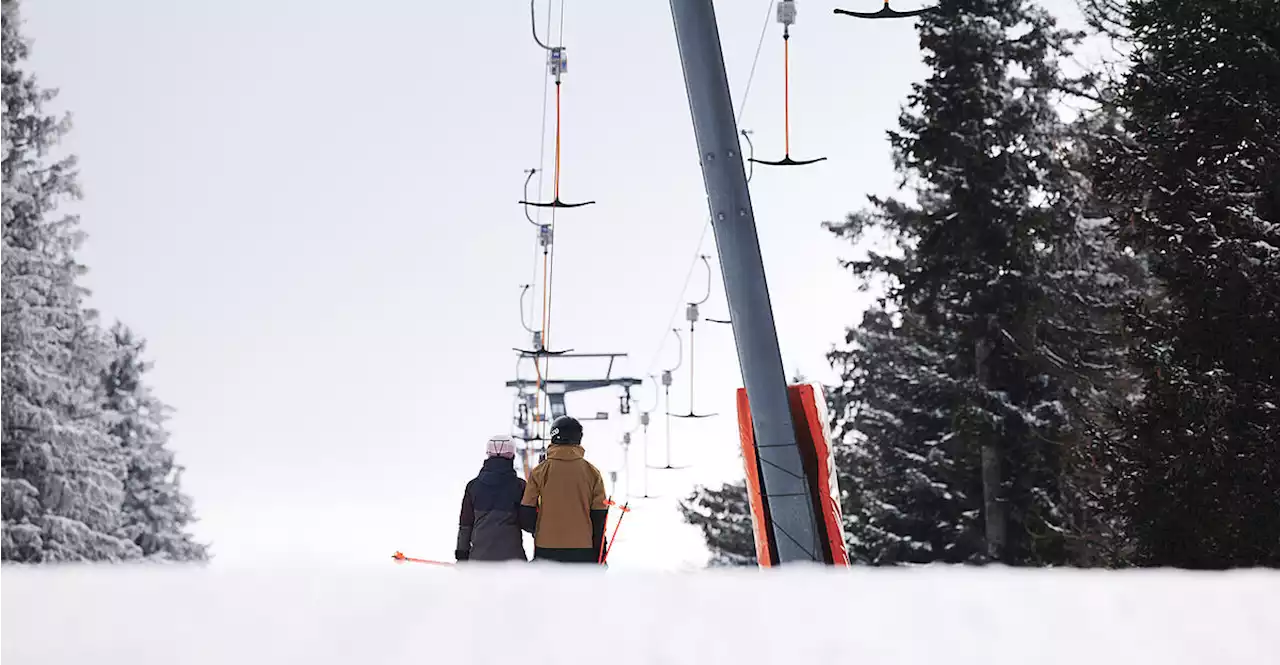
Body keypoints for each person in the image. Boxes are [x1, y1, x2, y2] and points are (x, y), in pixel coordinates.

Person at [519, 415, 609, 564]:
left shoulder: (539, 472)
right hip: (583, 549)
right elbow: (600, 518)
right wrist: (600, 554)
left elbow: (526, 515)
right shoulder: (592, 473)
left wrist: (541, 530)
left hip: (546, 548)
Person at [455, 435, 528, 563]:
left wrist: (462, 556)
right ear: (512, 455)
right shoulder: (520, 486)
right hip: (513, 562)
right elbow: (529, 523)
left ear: (488, 454)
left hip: (479, 561)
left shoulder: (473, 486)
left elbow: (465, 525)